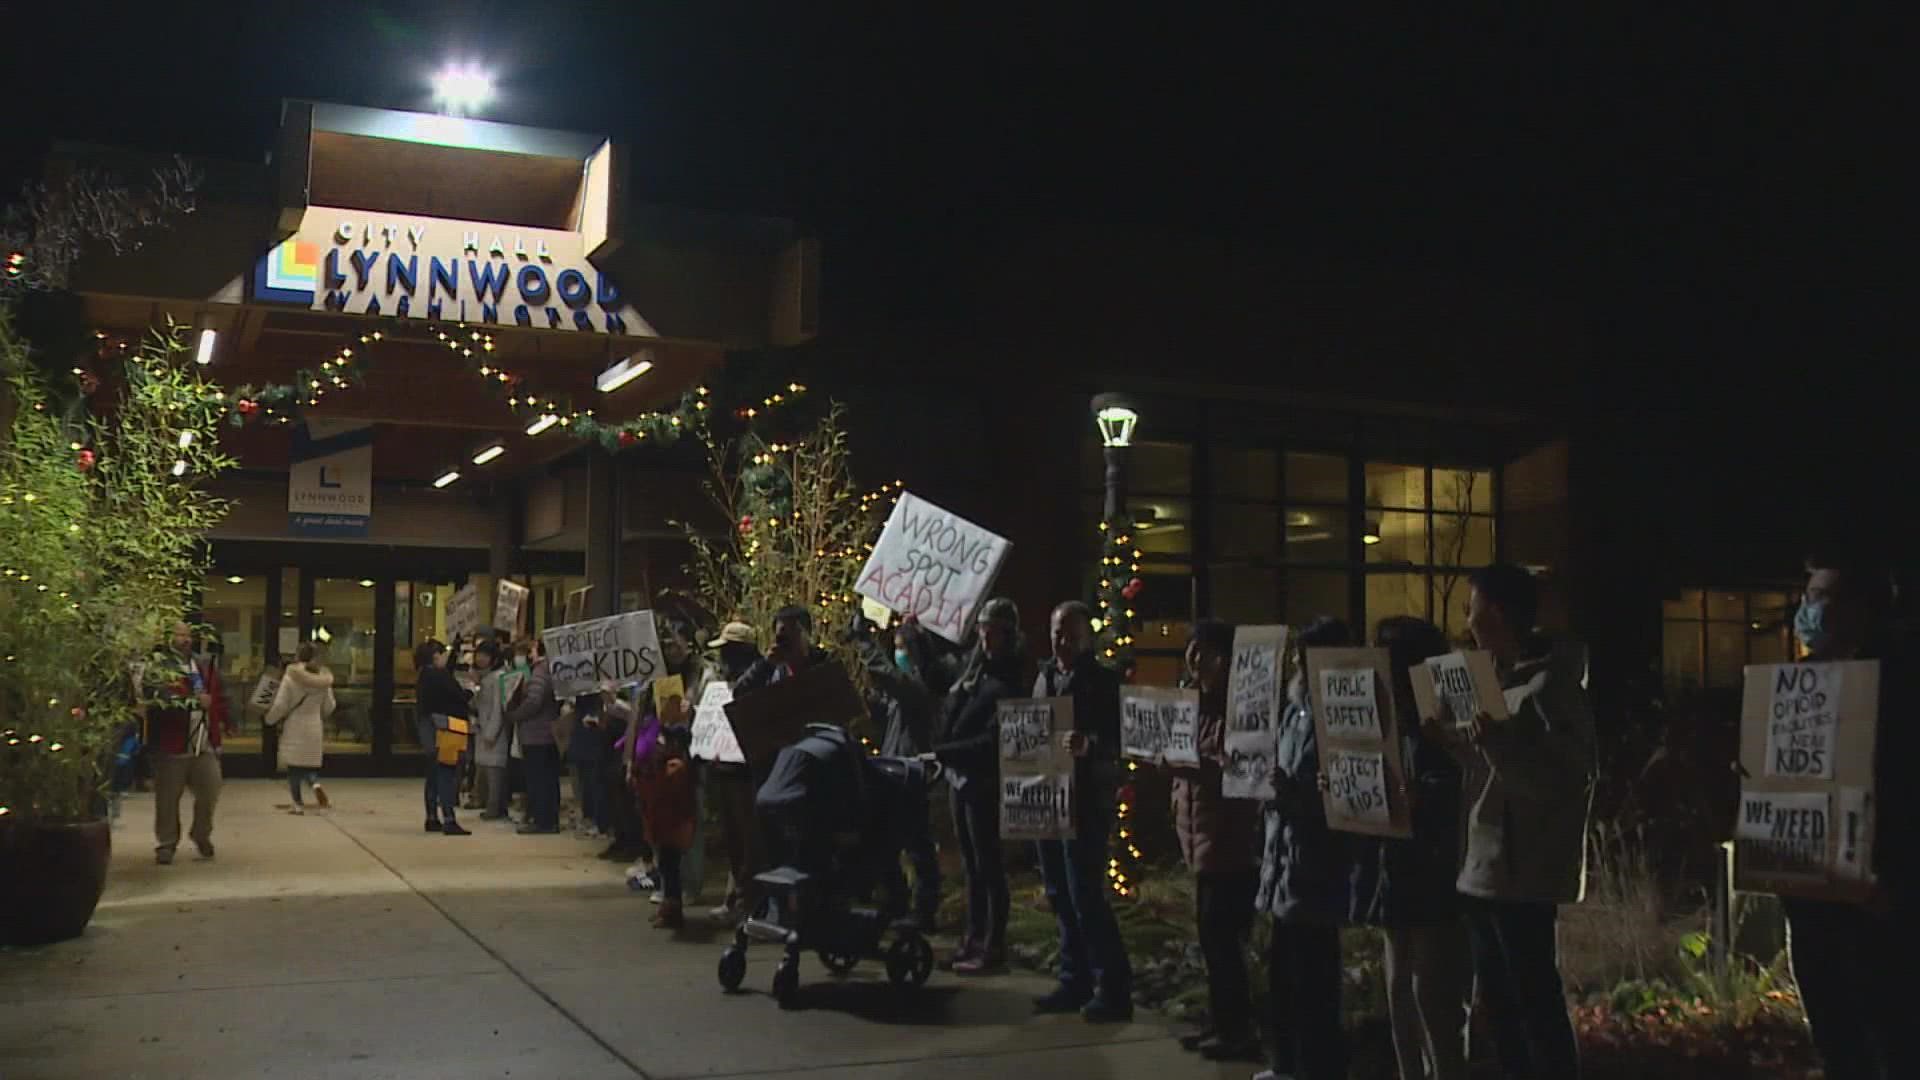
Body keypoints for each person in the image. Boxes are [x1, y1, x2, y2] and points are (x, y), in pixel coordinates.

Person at [1428, 563, 1595, 1080]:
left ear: (1496, 612)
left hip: (1524, 871)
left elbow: (1562, 782)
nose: (1466, 618)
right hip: (1484, 866)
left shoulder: (1552, 687)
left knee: (1533, 1001)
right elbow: (1491, 774)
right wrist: (1454, 744)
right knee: (1499, 1005)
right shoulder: (1490, 681)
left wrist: (1496, 745)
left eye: (1471, 606)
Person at [1775, 547, 1907, 1080]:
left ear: (1862, 605)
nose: (1807, 608)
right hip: (1812, 896)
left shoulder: (1899, 682)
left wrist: (1898, 879)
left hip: (1879, 899)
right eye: (1807, 595)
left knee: (1891, 1038)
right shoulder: (1800, 683)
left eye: (1820, 595)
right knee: (1835, 1038)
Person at [1362, 616, 1471, 1080]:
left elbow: (1470, 776)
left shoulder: (1441, 713)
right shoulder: (1386, 714)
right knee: (1399, 987)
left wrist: (1424, 793)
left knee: (1433, 993)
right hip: (1396, 862)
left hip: (1434, 866)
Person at [1255, 616, 1356, 1080]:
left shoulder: (1339, 715)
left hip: (1316, 866)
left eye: (1306, 655)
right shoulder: (1294, 711)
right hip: (1284, 860)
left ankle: (1315, 1068)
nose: (1298, 664)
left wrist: (1293, 794)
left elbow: (1343, 793)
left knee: (1314, 983)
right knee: (1283, 979)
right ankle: (1287, 1065)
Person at [1156, 617, 1259, 1056]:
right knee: (1211, 943)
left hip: (1229, 845)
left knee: (1224, 944)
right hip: (1199, 840)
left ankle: (1236, 1031)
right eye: (1191, 650)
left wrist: (1190, 764)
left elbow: (1239, 770)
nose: (1195, 660)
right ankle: (1219, 1023)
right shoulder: (1190, 705)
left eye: (1205, 652)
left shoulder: (1242, 709)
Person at [1029, 600, 1136, 1024]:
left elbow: (1122, 737)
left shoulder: (1103, 682)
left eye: (1071, 633)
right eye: (1058, 631)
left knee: (1086, 895)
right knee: (1058, 893)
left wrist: (1090, 746)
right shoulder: (1044, 677)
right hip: (1047, 799)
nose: (1063, 640)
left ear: (1087, 637)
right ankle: (1074, 979)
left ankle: (1112, 986)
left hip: (1086, 802)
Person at [931, 597, 1030, 975]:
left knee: (988, 865)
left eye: (994, 630)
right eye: (983, 629)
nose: (986, 637)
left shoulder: (1007, 679)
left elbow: (993, 740)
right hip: (961, 777)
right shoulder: (977, 671)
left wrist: (946, 751)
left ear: (1008, 634)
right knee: (972, 866)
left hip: (983, 781)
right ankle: (972, 938)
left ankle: (992, 945)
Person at [855, 614, 942, 930]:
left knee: (918, 846)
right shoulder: (903, 692)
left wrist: (865, 642)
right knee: (887, 844)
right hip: (894, 773)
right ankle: (896, 901)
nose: (898, 654)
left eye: (902, 647)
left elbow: (889, 676)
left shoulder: (920, 687)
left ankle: (924, 910)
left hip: (914, 774)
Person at [145, 620, 233, 865]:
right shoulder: (158, 666)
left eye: (187, 635)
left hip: (203, 740)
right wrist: (192, 703)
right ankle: (167, 843)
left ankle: (201, 833)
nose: (185, 639)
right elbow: (159, 698)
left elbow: (220, 694)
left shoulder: (203, 664)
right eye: (179, 635)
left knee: (211, 789)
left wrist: (228, 719)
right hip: (172, 742)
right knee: (167, 798)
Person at [702, 621, 765, 921]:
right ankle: (737, 898)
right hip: (725, 768)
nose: (722, 659)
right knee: (735, 840)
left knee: (749, 841)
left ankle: (748, 903)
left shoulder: (759, 680)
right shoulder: (722, 684)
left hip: (746, 773)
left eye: (727, 652)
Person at [263, 643, 337, 815]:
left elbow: (281, 704)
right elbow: (330, 706)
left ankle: (298, 804)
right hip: (314, 725)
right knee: (309, 767)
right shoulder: (323, 679)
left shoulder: (291, 677)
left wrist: (270, 719)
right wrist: (319, 713)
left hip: (295, 725)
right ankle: (316, 785)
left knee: (294, 768)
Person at [415, 639, 473, 836]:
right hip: (446, 728)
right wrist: (470, 692)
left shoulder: (423, 675)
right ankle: (449, 818)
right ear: (436, 655)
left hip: (429, 730)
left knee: (433, 774)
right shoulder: (439, 676)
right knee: (446, 773)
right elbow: (458, 695)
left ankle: (432, 816)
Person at [505, 639, 563, 834]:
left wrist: (515, 715)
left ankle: (542, 821)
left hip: (536, 734)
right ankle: (549, 819)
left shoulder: (539, 672)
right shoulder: (553, 669)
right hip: (547, 733)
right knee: (548, 779)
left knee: (538, 780)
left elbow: (534, 701)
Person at [469, 639, 511, 821]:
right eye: (478, 655)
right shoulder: (485, 677)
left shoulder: (499, 677)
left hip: (493, 731)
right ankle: (489, 804)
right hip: (483, 728)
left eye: (485, 656)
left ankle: (495, 807)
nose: (480, 659)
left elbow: (498, 708)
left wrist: (491, 732)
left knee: (495, 771)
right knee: (486, 768)